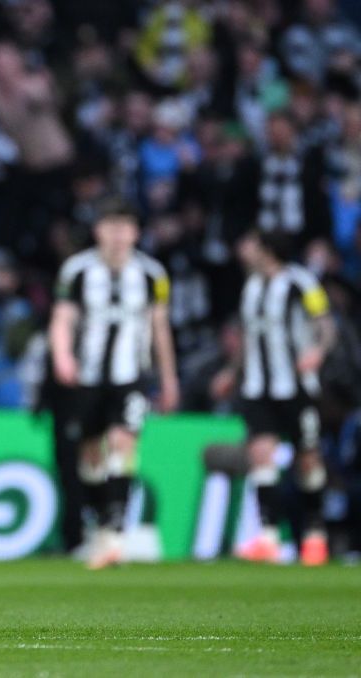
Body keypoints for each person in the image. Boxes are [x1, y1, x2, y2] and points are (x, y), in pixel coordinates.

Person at [48, 199, 179, 570]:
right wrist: (63, 356)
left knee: (122, 443)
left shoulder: (153, 274)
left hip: (131, 377)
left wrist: (168, 378)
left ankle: (115, 532)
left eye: (126, 226)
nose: (119, 235)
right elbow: (62, 318)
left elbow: (160, 329)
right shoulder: (77, 270)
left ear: (136, 232)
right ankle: (96, 525)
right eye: (112, 225)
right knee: (89, 454)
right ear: (98, 230)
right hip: (88, 376)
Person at [211, 230, 335, 565]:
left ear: (266, 249)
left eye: (250, 244)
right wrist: (230, 372)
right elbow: (249, 338)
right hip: (257, 387)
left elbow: (325, 323)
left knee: (307, 458)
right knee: (260, 454)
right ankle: (267, 537)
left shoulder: (301, 282)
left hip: (295, 387)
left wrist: (317, 351)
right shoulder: (251, 287)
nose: (244, 250)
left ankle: (314, 535)